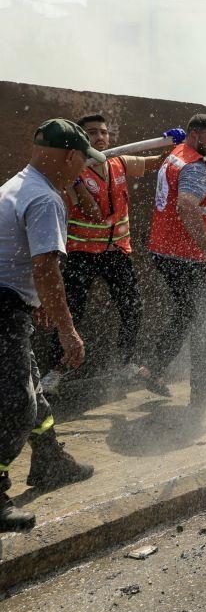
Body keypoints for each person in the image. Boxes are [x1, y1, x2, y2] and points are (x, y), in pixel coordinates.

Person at [0, 120, 100, 532]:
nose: (82, 172)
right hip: (4, 308)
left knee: (32, 389)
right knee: (16, 404)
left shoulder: (18, 185)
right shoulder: (45, 199)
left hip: (12, 301)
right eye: (83, 163)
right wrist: (67, 330)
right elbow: (46, 268)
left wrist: (34, 302)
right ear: (72, 156)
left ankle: (49, 461)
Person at [40, 114, 185, 394]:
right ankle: (56, 371)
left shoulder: (120, 162)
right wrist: (78, 179)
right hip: (81, 252)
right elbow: (91, 210)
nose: (99, 137)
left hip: (116, 251)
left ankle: (125, 362)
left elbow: (159, 162)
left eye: (103, 132)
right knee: (71, 313)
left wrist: (171, 143)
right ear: (80, 139)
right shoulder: (70, 172)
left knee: (132, 307)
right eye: (92, 133)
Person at [143, 114, 206, 413]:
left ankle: (154, 367)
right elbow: (186, 206)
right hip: (191, 258)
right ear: (194, 136)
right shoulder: (196, 166)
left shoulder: (177, 155)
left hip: (168, 251)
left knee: (186, 313)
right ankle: (202, 390)